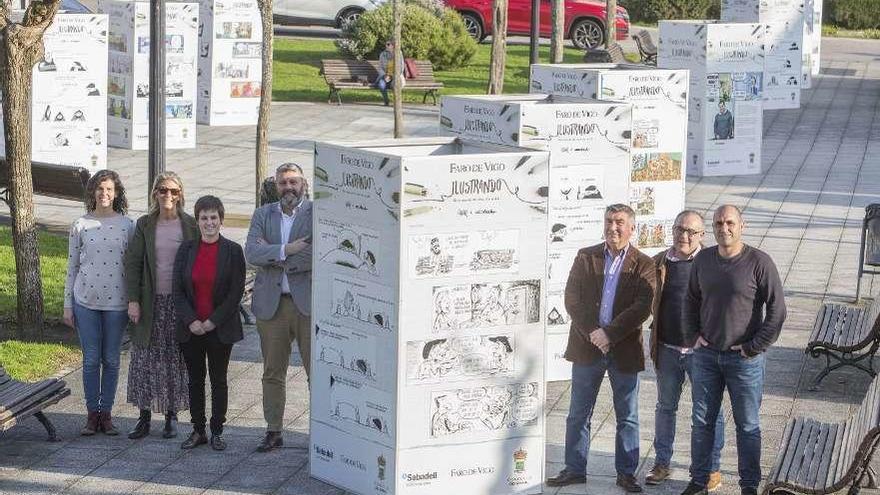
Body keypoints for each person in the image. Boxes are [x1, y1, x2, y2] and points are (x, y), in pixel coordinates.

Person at [546, 204, 656, 494]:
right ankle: (574, 468)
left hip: (623, 349)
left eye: (620, 222)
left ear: (632, 228)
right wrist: (594, 333)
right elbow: (572, 299)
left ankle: (627, 473)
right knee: (578, 413)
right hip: (587, 346)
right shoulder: (586, 256)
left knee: (627, 416)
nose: (613, 227)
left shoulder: (644, 263)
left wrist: (609, 334)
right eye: (608, 221)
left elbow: (642, 307)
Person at [680, 205, 786, 495]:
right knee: (702, 422)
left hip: (745, 361)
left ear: (742, 225)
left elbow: (777, 311)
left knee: (748, 425)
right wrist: (692, 336)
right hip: (706, 357)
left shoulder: (759, 262)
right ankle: (699, 479)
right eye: (718, 223)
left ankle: (749, 486)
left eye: (729, 223)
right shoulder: (702, 259)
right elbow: (689, 301)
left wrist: (754, 347)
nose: (723, 228)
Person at [645, 210, 725, 490]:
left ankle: (710, 467)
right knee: (665, 407)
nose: (684, 236)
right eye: (680, 229)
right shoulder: (659, 262)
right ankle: (662, 463)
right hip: (667, 348)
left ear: (702, 235)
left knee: (707, 412)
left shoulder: (712, 263)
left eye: (691, 231)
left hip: (701, 353)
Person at [245, 162, 313, 453]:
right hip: (273, 307)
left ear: (303, 184)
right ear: (275, 185)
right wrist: (288, 249)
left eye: (294, 182)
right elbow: (251, 252)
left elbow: (317, 253)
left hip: (308, 306)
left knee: (317, 373)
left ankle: (322, 433)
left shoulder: (316, 214)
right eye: (283, 183)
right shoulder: (262, 214)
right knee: (273, 373)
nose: (289, 188)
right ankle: (274, 430)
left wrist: (273, 254)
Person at [125, 171, 198, 440]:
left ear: (181, 194)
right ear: (155, 193)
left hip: (178, 304)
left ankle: (171, 416)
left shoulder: (190, 225)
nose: (168, 196)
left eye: (174, 191)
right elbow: (132, 264)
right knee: (144, 359)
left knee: (174, 359)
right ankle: (144, 418)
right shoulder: (144, 224)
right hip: (149, 302)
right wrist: (133, 300)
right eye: (163, 190)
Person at [63, 170, 134, 436]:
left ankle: (107, 413)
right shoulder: (80, 224)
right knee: (91, 359)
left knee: (112, 360)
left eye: (109, 189)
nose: (104, 194)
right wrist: (67, 305)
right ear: (92, 192)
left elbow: (133, 267)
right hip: (85, 302)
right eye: (100, 189)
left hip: (117, 303)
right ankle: (92, 414)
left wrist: (134, 301)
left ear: (116, 193)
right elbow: (72, 266)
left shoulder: (128, 225)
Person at [172, 196, 246, 451]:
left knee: (218, 380)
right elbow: (177, 291)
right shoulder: (186, 250)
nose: (209, 223)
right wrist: (191, 320)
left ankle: (216, 431)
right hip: (191, 328)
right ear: (198, 221)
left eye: (214, 217)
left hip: (219, 328)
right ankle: (197, 430)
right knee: (195, 380)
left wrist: (212, 321)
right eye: (204, 218)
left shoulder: (233, 251)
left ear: (221, 220)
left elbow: (235, 293)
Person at [376, 40, 405, 106]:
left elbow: (401, 66)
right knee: (381, 85)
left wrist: (394, 76)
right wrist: (385, 75)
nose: (386, 45)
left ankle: (396, 102)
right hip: (386, 76)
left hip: (396, 76)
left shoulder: (399, 53)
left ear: (393, 45)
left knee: (395, 85)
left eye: (388, 44)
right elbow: (380, 67)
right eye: (386, 44)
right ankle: (386, 101)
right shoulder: (382, 54)